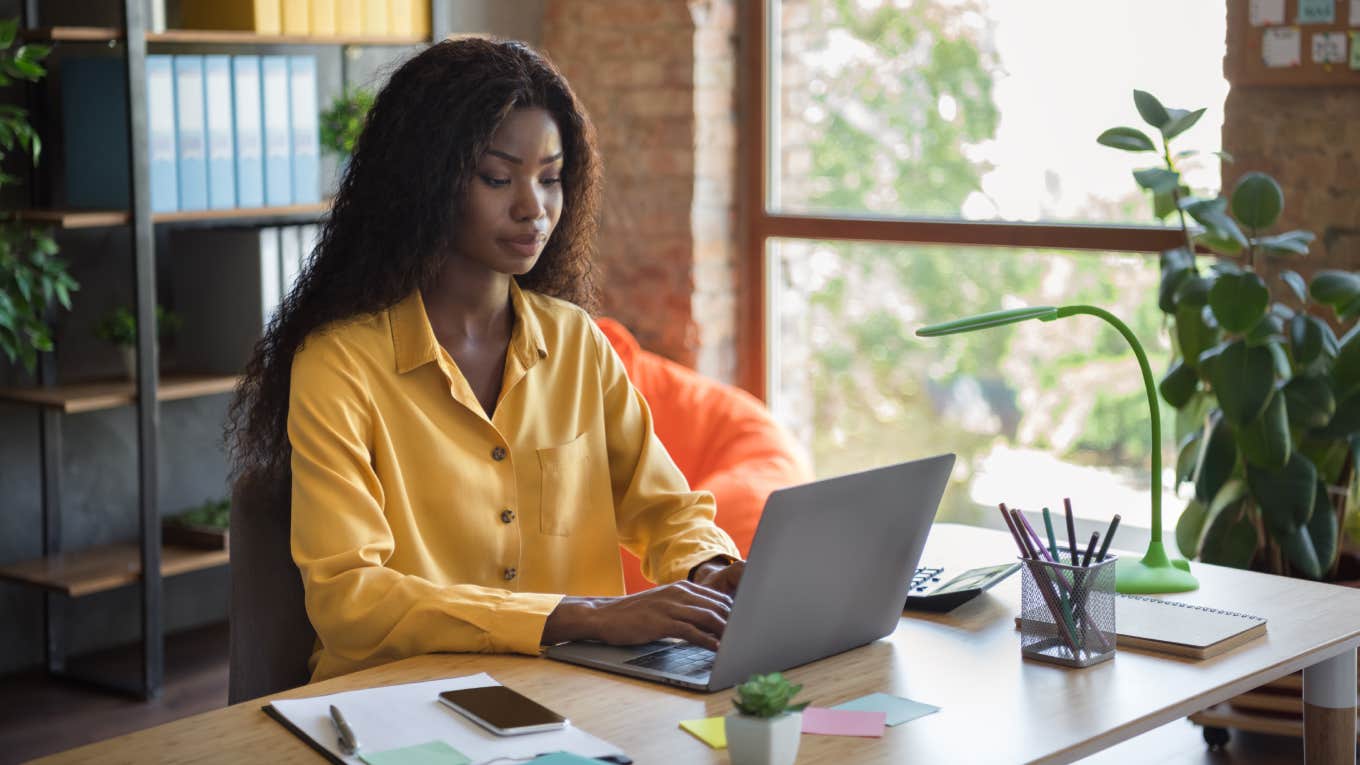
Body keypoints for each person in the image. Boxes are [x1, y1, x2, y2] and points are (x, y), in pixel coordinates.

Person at [226, 37, 744, 683]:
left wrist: (711, 569)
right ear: (426, 180)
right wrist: (579, 615)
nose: (534, 208)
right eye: (499, 178)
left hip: (577, 690)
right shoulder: (339, 366)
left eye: (551, 178)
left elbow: (664, 508)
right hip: (398, 699)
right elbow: (350, 598)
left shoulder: (578, 342)